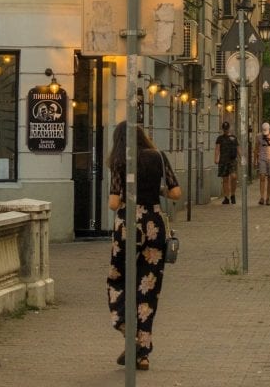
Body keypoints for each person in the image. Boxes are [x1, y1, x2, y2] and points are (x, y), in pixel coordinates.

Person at [107, 121, 181, 371]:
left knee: (119, 279)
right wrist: (156, 190)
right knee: (148, 286)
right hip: (155, 223)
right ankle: (143, 353)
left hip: (129, 224)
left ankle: (126, 328)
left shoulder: (119, 161)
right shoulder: (159, 157)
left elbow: (113, 203)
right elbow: (176, 193)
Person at [214, 120, 239, 204]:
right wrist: (216, 158)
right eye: (224, 129)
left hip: (232, 160)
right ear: (223, 129)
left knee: (234, 176)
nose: (225, 130)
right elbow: (217, 149)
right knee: (225, 179)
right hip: (223, 160)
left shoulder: (233, 138)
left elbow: (238, 148)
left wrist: (242, 157)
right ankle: (226, 197)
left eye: (227, 129)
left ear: (229, 128)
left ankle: (233, 194)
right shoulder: (220, 138)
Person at [253, 121, 270, 204]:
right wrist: (254, 161)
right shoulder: (258, 136)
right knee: (262, 176)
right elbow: (256, 149)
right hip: (262, 158)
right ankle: (262, 197)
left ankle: (268, 198)